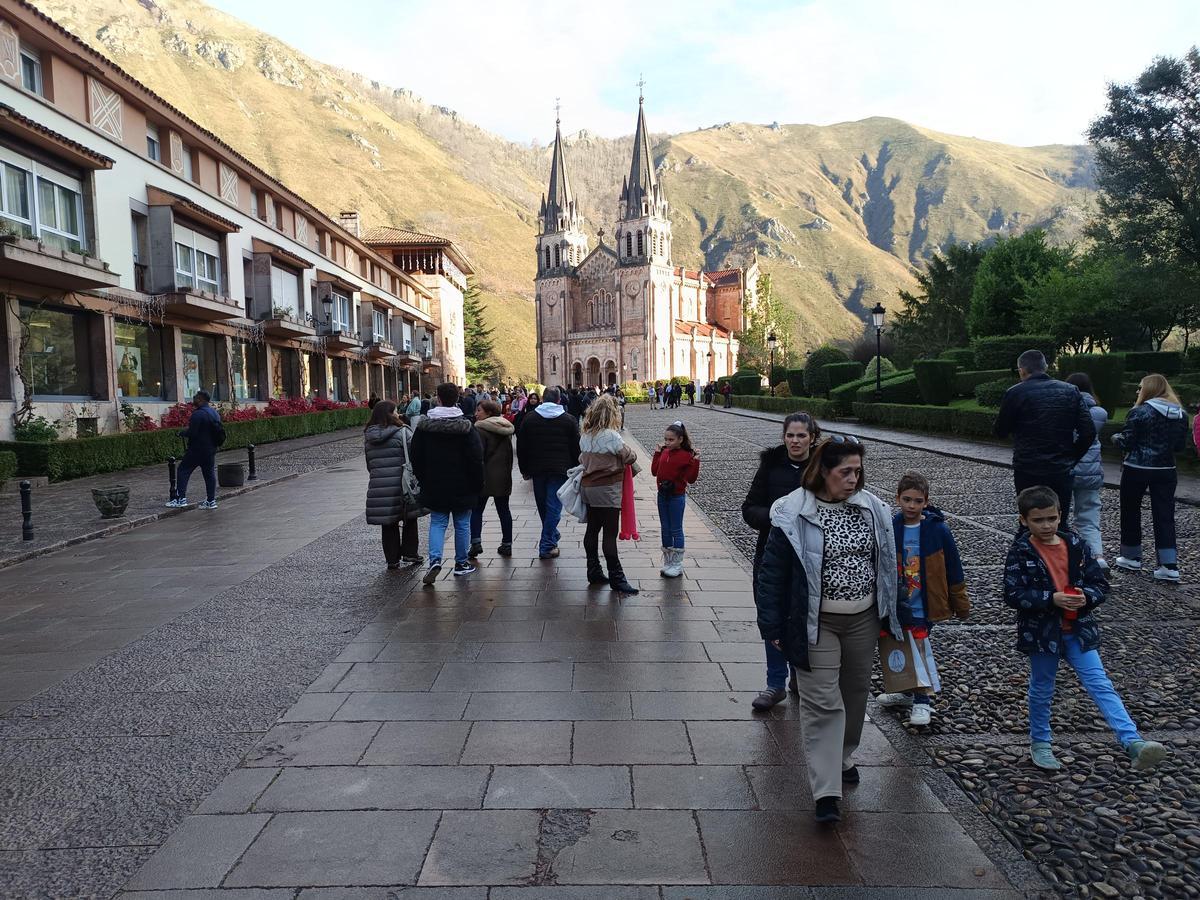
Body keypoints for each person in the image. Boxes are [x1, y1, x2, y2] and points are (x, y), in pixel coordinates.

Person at [756, 436, 900, 824]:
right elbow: (773, 573)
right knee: (823, 703)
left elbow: (887, 561)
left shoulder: (871, 508)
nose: (853, 479)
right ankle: (826, 792)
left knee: (855, 694)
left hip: (863, 618)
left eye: (858, 471)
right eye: (845, 472)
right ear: (823, 472)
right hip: (814, 622)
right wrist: (771, 623)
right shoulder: (792, 511)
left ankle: (844, 753)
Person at [1004, 485, 1168, 772]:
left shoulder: (1076, 545)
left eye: (1051, 518)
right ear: (1024, 520)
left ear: (1060, 515)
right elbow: (1012, 593)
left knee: (1100, 684)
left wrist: (1086, 597)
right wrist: (1049, 599)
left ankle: (1133, 742)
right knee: (1042, 688)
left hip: (1078, 630)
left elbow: (1099, 584)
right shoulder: (1020, 551)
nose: (1046, 525)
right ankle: (1040, 742)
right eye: (1038, 520)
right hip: (1042, 635)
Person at [876, 471, 970, 727]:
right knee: (899, 646)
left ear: (926, 502)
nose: (911, 505)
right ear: (897, 498)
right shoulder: (891, 527)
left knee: (919, 648)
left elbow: (953, 565)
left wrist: (959, 601)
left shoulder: (938, 529)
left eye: (917, 501)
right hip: (898, 602)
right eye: (907, 499)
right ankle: (906, 691)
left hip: (925, 602)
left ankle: (922, 701)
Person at [742, 412, 821, 709]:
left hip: (809, 556)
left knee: (803, 614)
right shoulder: (770, 466)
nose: (795, 440)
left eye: (801, 435)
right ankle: (775, 683)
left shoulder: (822, 469)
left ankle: (799, 675)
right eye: (790, 435)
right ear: (783, 437)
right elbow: (749, 509)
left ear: (812, 437)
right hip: (772, 554)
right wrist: (773, 517)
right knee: (772, 614)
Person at [993, 349, 1096, 520]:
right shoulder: (1071, 391)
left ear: (1022, 370)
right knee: (1059, 519)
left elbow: (1000, 431)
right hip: (1060, 467)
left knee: (1030, 517)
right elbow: (1088, 432)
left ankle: (1028, 546)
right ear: (1045, 367)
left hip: (1028, 466)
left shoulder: (1016, 392)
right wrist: (1071, 457)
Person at [1112, 374, 1190, 581]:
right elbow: (1180, 447)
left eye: (1140, 388)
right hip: (1166, 469)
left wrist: (1115, 437)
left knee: (1130, 511)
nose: (1138, 391)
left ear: (1149, 390)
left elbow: (1127, 442)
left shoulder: (1140, 412)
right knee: (1164, 515)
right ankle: (1169, 564)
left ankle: (1131, 556)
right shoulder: (1181, 414)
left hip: (1137, 467)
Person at [410, 382, 484, 584]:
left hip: (435, 482)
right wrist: (478, 483)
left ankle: (435, 560)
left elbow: (415, 455)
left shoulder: (424, 427)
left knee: (438, 522)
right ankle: (461, 563)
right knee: (462, 523)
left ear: (438, 398)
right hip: (463, 482)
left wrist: (422, 476)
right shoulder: (467, 427)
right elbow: (476, 457)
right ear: (457, 399)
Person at [579, 394, 640, 594]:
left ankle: (593, 570)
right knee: (609, 534)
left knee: (592, 530)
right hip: (607, 489)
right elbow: (629, 457)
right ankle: (617, 577)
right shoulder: (611, 436)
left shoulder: (585, 435)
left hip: (588, 488)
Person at [517, 386, 580, 559]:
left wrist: (524, 469)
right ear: (559, 400)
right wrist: (575, 468)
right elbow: (576, 447)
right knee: (552, 506)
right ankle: (548, 542)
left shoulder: (530, 418)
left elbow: (521, 446)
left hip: (537, 469)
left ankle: (549, 540)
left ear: (543, 399)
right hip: (560, 469)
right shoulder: (569, 420)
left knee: (544, 505)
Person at [363, 401, 425, 569]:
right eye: (396, 411)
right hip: (402, 484)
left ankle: (392, 560)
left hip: (379, 485)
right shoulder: (403, 432)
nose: (398, 414)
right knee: (410, 518)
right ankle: (410, 554)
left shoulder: (369, 437)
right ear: (390, 414)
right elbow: (415, 458)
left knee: (388, 523)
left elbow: (370, 464)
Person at [1064, 373, 1109, 568]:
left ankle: (1063, 558)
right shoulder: (1100, 412)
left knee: (1058, 517)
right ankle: (1097, 557)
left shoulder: (1063, 410)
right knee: (1089, 517)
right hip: (1091, 472)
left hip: (1066, 468)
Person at [652, 421, 701, 578]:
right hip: (662, 495)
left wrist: (696, 461)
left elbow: (691, 479)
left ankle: (677, 564)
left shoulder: (686, 456)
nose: (667, 442)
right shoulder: (665, 452)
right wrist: (658, 453)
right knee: (665, 528)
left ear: (680, 439)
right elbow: (654, 472)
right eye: (666, 439)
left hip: (676, 496)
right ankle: (668, 562)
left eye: (671, 440)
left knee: (676, 529)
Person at [166, 390, 225, 510]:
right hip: (211, 449)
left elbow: (193, 432)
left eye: (196, 398)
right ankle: (211, 501)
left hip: (197, 449)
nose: (194, 400)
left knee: (183, 470)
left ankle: (180, 499)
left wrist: (182, 433)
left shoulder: (198, 414)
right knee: (209, 474)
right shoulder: (214, 413)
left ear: (201, 399)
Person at [471, 399, 515, 559]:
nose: (476, 414)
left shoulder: (480, 430)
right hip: (502, 476)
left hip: (483, 476)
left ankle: (475, 542)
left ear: (488, 413)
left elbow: (478, 455)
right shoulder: (505, 428)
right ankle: (507, 543)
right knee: (504, 510)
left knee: (476, 510)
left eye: (479, 411)